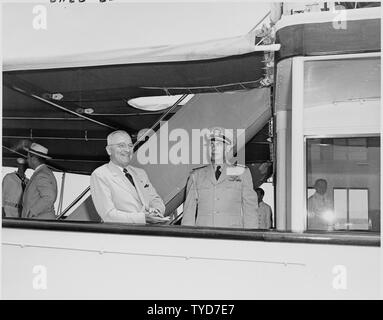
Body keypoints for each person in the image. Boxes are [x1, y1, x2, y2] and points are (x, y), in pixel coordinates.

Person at [182, 127, 259, 228]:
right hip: (204, 236)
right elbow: (188, 213)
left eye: (218, 144)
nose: (214, 148)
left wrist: (249, 239)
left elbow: (250, 211)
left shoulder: (242, 173)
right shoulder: (196, 176)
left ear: (227, 148)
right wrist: (188, 239)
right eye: (212, 144)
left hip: (232, 237)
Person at [90, 130, 166, 224]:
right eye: (121, 145)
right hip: (121, 234)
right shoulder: (100, 174)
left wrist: (157, 211)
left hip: (148, 233)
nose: (127, 150)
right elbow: (108, 215)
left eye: (130, 146)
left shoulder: (140, 173)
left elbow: (155, 199)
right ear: (109, 150)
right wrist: (143, 218)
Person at [21, 143, 58, 220]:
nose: (27, 160)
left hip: (38, 221)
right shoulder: (44, 172)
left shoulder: (41, 174)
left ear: (34, 159)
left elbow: (49, 197)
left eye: (28, 158)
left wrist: (32, 211)